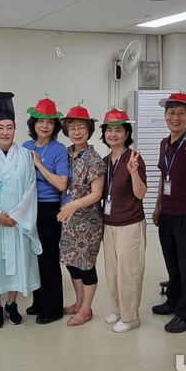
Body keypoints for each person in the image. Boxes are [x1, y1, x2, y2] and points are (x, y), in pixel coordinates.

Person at [0, 91, 41, 328]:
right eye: (0, 127)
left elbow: (30, 188)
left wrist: (16, 215)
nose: (5, 132)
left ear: (15, 129)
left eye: (10, 127)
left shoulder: (25, 156)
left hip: (17, 221)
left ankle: (11, 304)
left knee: (16, 264)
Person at [151, 92, 186, 333]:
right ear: (165, 116)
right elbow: (165, 177)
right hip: (168, 214)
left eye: (180, 114)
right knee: (172, 264)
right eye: (171, 113)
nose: (174, 117)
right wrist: (157, 207)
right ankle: (173, 301)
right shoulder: (165, 143)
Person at [22, 94, 69, 324]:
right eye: (40, 121)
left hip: (49, 208)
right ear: (33, 124)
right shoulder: (25, 146)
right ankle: (38, 302)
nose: (44, 125)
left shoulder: (59, 149)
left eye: (49, 122)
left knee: (49, 257)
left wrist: (39, 165)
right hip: (28, 207)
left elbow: (62, 184)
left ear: (55, 126)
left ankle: (53, 309)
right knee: (35, 256)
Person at [99, 108, 147, 333]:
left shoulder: (134, 158)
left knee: (129, 272)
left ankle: (131, 317)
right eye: (109, 130)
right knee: (113, 272)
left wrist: (134, 172)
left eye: (118, 130)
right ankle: (118, 310)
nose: (113, 134)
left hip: (130, 223)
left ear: (127, 133)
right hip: (109, 223)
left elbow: (140, 194)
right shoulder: (105, 160)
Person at [58, 102, 106, 326]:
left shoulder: (94, 159)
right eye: (72, 128)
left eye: (81, 128)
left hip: (87, 221)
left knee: (86, 265)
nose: (76, 132)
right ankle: (78, 303)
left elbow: (96, 194)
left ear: (89, 130)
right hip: (68, 220)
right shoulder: (65, 153)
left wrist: (73, 205)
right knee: (71, 263)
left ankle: (87, 309)